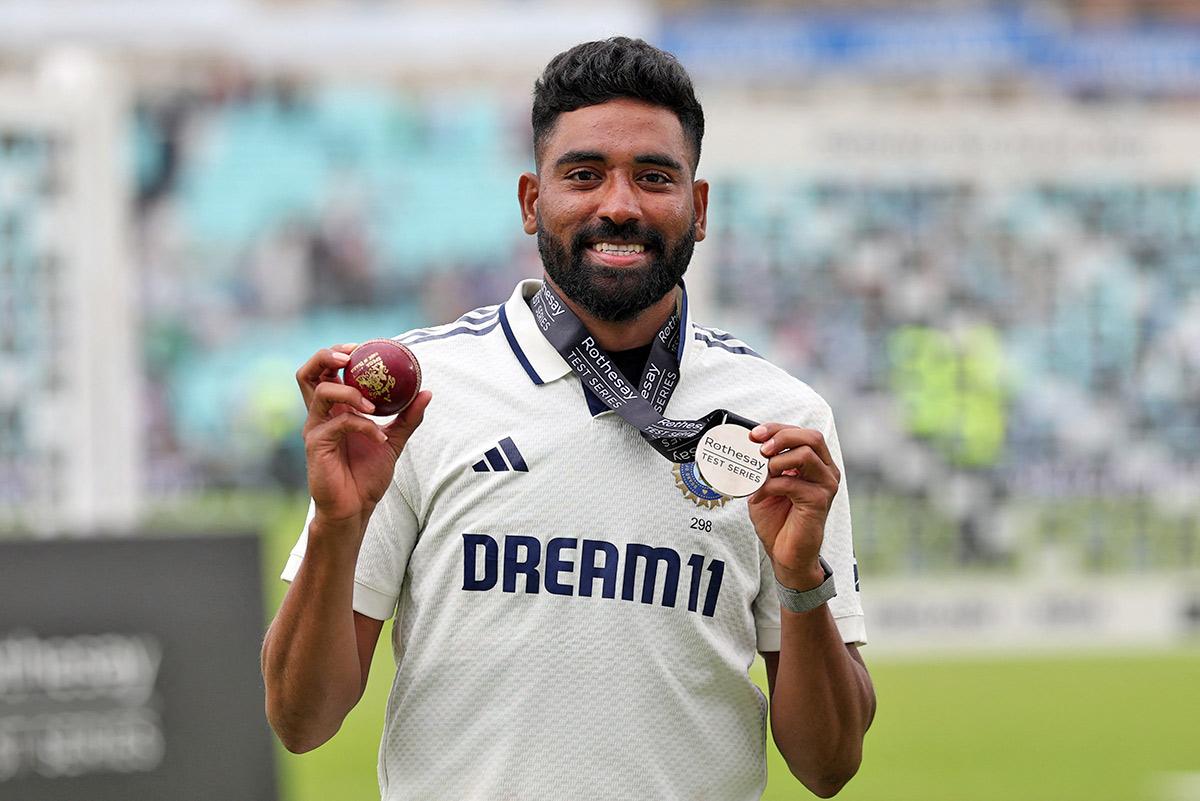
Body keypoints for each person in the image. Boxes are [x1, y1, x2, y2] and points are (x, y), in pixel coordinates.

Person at [262, 37, 875, 801]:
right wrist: (335, 525)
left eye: (654, 177)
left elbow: (829, 764)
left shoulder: (781, 420)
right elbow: (300, 719)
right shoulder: (418, 403)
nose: (619, 206)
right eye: (584, 175)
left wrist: (800, 580)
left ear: (701, 206)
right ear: (530, 200)